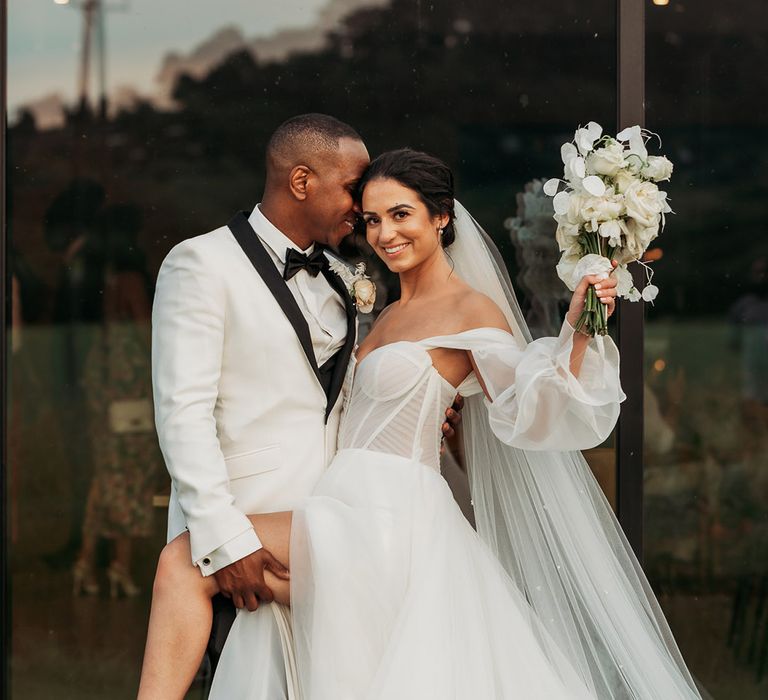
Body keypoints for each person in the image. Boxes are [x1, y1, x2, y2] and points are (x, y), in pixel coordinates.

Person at [138, 148, 705, 699]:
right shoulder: (379, 310)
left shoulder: (470, 309)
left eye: (401, 214)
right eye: (372, 220)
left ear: (441, 217)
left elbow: (531, 399)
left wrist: (579, 332)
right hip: (339, 506)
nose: (385, 234)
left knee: (186, 559)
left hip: (390, 516)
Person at [141, 118, 461, 697]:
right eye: (353, 188)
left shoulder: (344, 275)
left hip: (333, 527)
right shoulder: (200, 264)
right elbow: (181, 415)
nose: (363, 205)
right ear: (301, 181)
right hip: (243, 532)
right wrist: (224, 537)